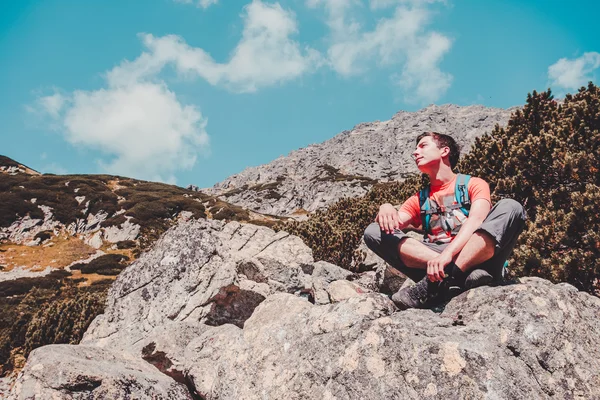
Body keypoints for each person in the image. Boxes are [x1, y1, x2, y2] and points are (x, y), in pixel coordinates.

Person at [363, 132, 526, 310]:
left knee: (512, 207)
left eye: (423, 146)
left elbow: (476, 220)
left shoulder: (473, 184)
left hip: (480, 256)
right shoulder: (419, 199)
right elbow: (393, 223)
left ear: (444, 151)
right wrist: (385, 207)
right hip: (435, 265)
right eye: (416, 148)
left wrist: (446, 256)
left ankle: (432, 287)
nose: (415, 152)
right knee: (373, 231)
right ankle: (460, 276)